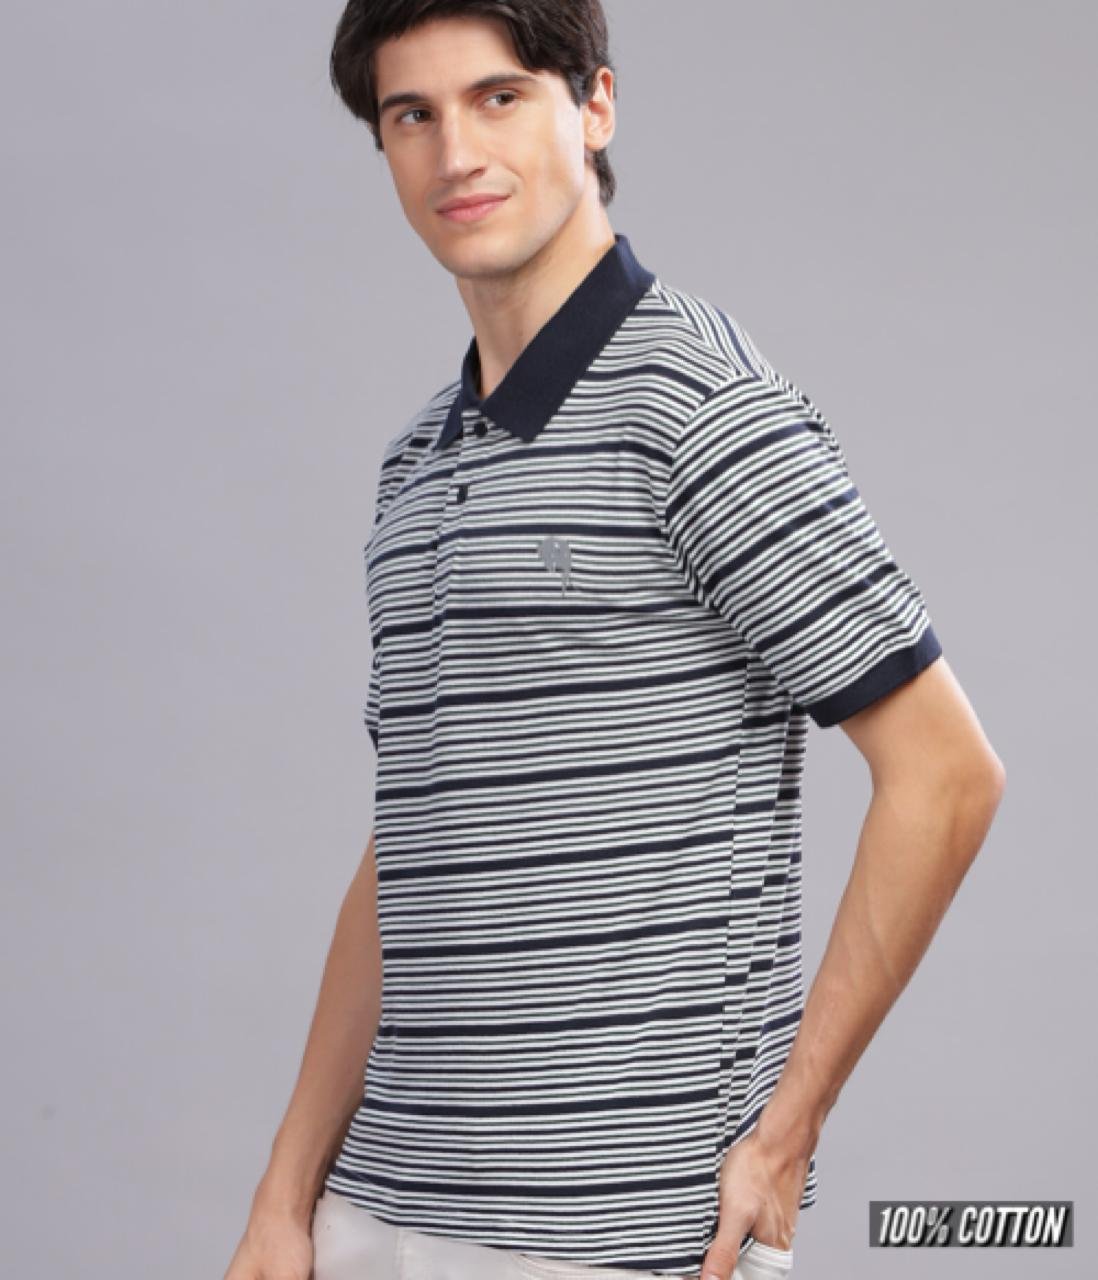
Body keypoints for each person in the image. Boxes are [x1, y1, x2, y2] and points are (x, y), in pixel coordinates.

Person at [223, 3, 1006, 1279]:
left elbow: (948, 772)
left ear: (593, 105)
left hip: (623, 1228)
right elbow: (413, 838)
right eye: (412, 115)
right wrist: (284, 1190)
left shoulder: (697, 404)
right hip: (380, 1210)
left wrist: (788, 1129)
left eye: (498, 97)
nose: (454, 154)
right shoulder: (415, 462)